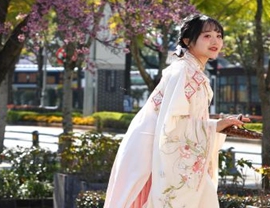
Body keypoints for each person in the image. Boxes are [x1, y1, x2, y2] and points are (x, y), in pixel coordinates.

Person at [103, 14, 247, 208]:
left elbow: (178, 119)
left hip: (157, 148)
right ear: (188, 41)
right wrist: (214, 127)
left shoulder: (190, 70)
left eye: (219, 35)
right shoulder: (185, 72)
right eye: (207, 36)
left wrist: (217, 125)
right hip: (154, 152)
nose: (215, 41)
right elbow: (172, 123)